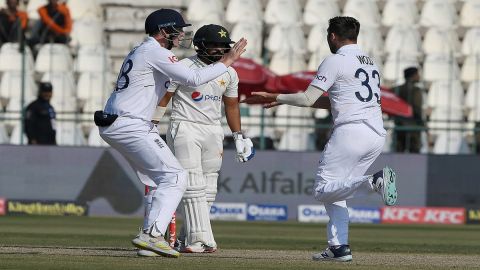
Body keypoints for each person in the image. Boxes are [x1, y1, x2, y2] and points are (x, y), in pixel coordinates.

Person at [241, 16, 398, 262]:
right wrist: (284, 99)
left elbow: (307, 97)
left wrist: (276, 96)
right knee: (339, 191)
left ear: (333, 36)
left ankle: (374, 180)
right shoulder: (371, 63)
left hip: (351, 132)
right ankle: (338, 248)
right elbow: (332, 101)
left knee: (324, 190)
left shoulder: (335, 60)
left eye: (328, 36)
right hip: (375, 133)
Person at [97, 9, 247, 258]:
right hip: (131, 123)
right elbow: (194, 77)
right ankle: (152, 235)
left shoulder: (142, 50)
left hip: (123, 122)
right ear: (164, 30)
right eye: (177, 31)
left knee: (158, 180)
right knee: (176, 177)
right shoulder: (156, 52)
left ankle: (149, 242)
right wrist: (228, 59)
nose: (181, 37)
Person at [137, 24, 254, 256]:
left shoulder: (229, 72)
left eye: (223, 46)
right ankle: (201, 239)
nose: (220, 50)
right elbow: (164, 99)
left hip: (213, 129)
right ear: (200, 45)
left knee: (209, 186)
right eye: (214, 45)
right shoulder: (183, 67)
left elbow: (231, 106)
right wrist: (151, 126)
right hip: (185, 126)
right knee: (192, 183)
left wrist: (239, 135)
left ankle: (186, 237)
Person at [393, 67, 425, 153]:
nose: (419, 76)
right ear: (413, 76)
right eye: (417, 74)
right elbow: (417, 109)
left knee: (398, 156)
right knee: (414, 156)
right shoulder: (416, 90)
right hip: (413, 128)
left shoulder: (397, 89)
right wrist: (423, 124)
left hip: (399, 126)